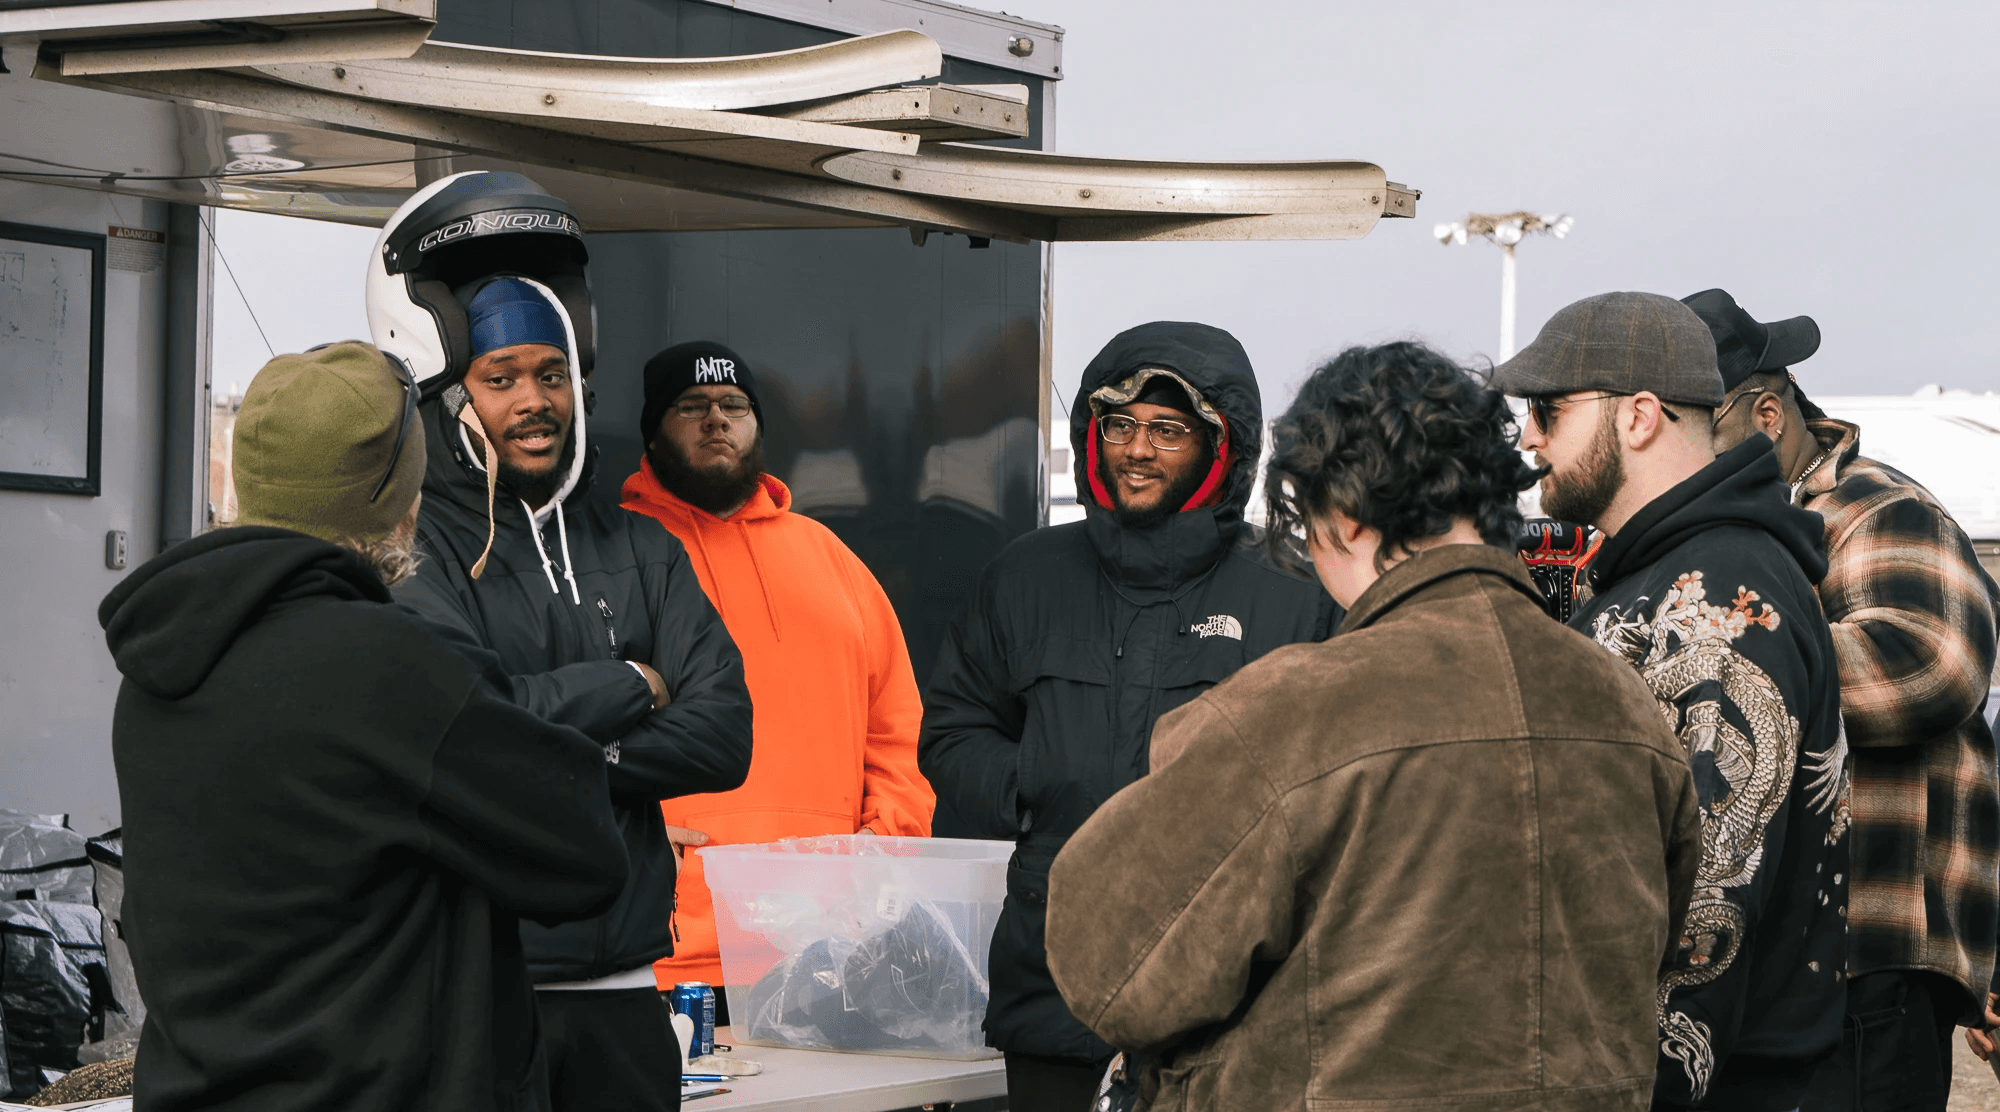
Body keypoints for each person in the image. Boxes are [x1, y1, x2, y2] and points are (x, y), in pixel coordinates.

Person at [1043, 341, 1702, 1111]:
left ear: (1344, 516)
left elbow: (1106, 966)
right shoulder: (1625, 705)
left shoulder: (1288, 712)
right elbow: (1654, 946)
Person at [98, 342, 629, 1112]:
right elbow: (585, 857)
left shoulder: (161, 666)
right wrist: (626, 688)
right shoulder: (398, 669)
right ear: (400, 502)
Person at [370, 172, 754, 1112]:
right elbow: (471, 734)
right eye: (500, 378)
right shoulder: (414, 549)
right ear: (448, 388)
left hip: (628, 987)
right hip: (477, 993)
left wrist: (556, 746)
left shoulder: (642, 544)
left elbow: (725, 737)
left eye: (551, 374)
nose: (534, 400)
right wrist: (633, 683)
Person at [920, 321, 1340, 1110]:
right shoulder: (1025, 577)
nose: (1137, 450)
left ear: (1222, 447)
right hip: (1053, 988)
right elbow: (951, 732)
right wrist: (1040, 782)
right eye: (1118, 425)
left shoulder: (1294, 591)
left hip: (1233, 1004)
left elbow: (1344, 775)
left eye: (1168, 430)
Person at [1498, 291, 1849, 1112]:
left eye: (1548, 410)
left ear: (1639, 416)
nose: (1529, 438)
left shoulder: (1719, 592)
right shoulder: (1657, 575)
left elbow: (1709, 901)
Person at [1684, 289, 2000, 1112]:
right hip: (1790, 965)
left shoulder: (1875, 508)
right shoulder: (1744, 530)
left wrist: (1716, 649)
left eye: (1693, 431)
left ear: (1764, 417)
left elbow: (1930, 666)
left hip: (1869, 963)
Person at [619, 340, 934, 1005]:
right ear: (652, 431)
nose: (716, 419)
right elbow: (553, 730)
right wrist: (616, 833)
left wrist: (880, 851)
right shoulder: (607, 555)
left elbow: (897, 729)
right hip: (664, 954)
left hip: (831, 950)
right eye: (691, 406)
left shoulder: (831, 557)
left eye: (734, 405)